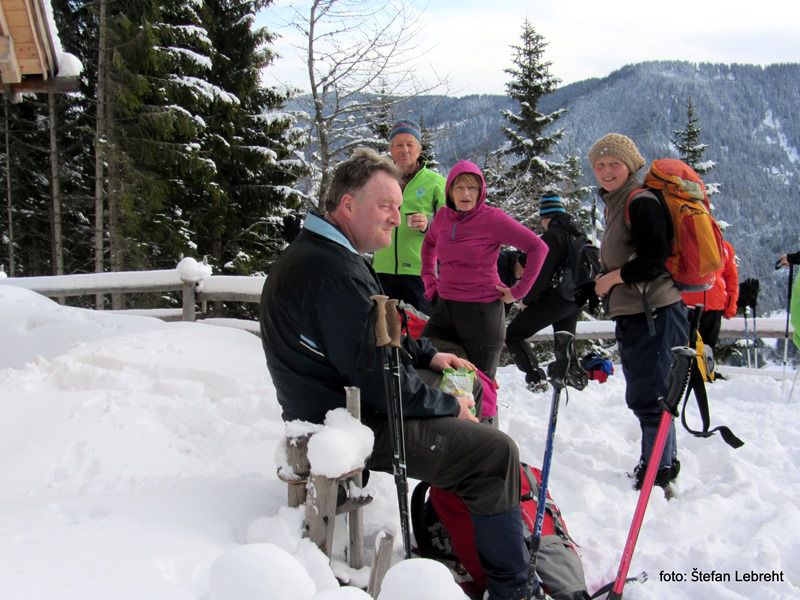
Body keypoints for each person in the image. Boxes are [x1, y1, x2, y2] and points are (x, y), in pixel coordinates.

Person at [260, 148, 531, 600]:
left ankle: (464, 531)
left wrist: (428, 356)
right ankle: (512, 588)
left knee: (463, 387)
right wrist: (449, 405)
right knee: (495, 454)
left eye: (399, 206)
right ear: (348, 205)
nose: (396, 216)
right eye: (386, 205)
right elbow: (380, 380)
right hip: (345, 422)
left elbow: (379, 332)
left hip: (346, 403)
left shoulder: (328, 254)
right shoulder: (331, 271)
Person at [589, 133, 689, 491]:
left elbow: (653, 259)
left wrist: (611, 279)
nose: (605, 171)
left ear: (631, 164)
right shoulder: (618, 202)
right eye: (599, 165)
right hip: (641, 312)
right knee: (654, 391)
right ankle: (665, 463)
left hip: (654, 312)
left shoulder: (639, 200)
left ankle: (656, 471)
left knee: (650, 395)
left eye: (613, 163)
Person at [420, 160, 549, 380]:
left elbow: (538, 247)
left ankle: (484, 416)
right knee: (429, 368)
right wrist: (430, 282)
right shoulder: (443, 217)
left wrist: (518, 291)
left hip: (481, 313)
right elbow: (429, 244)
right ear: (449, 190)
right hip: (444, 310)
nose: (465, 193)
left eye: (472, 187)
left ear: (481, 191)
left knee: (479, 382)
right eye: (459, 187)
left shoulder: (492, 219)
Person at [505, 195, 587, 393]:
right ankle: (571, 373)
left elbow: (542, 272)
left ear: (546, 217)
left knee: (513, 334)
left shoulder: (552, 236)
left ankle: (535, 378)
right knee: (564, 337)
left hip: (556, 299)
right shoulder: (577, 233)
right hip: (576, 298)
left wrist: (527, 299)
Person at [372, 119, 446, 315]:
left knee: (418, 333)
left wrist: (428, 224)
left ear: (419, 149)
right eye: (399, 144)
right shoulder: (380, 181)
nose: (404, 150)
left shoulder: (436, 183)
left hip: (419, 271)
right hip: (382, 269)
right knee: (383, 332)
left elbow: (454, 226)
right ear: (391, 149)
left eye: (410, 144)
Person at [682, 237, 739, 352]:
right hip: (690, 305)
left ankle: (703, 369)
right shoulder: (684, 242)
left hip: (711, 306)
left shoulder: (725, 247)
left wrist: (730, 306)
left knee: (705, 349)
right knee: (688, 348)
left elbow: (732, 279)